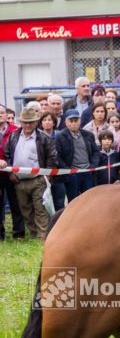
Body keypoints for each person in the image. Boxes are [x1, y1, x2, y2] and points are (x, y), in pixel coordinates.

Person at [3, 107, 58, 241]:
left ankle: (42, 236)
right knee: (25, 210)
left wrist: (47, 177)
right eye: (25, 122)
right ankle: (34, 233)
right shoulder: (13, 136)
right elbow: (7, 155)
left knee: (41, 209)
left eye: (31, 122)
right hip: (18, 180)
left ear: (36, 122)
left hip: (38, 180)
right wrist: (11, 174)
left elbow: (52, 159)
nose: (28, 125)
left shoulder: (44, 138)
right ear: (20, 122)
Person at [54, 109, 100, 205]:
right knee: (74, 201)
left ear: (80, 121)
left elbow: (96, 151)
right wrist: (68, 171)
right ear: (66, 122)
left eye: (76, 120)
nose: (74, 123)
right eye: (71, 121)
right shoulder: (60, 137)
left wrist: (92, 166)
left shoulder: (88, 135)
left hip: (87, 171)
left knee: (89, 200)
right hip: (72, 173)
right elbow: (57, 157)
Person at [0, 103, 24, 241]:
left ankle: (19, 233)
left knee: (16, 203)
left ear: (6, 114)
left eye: (2, 112)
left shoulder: (16, 130)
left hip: (13, 172)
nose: (0, 115)